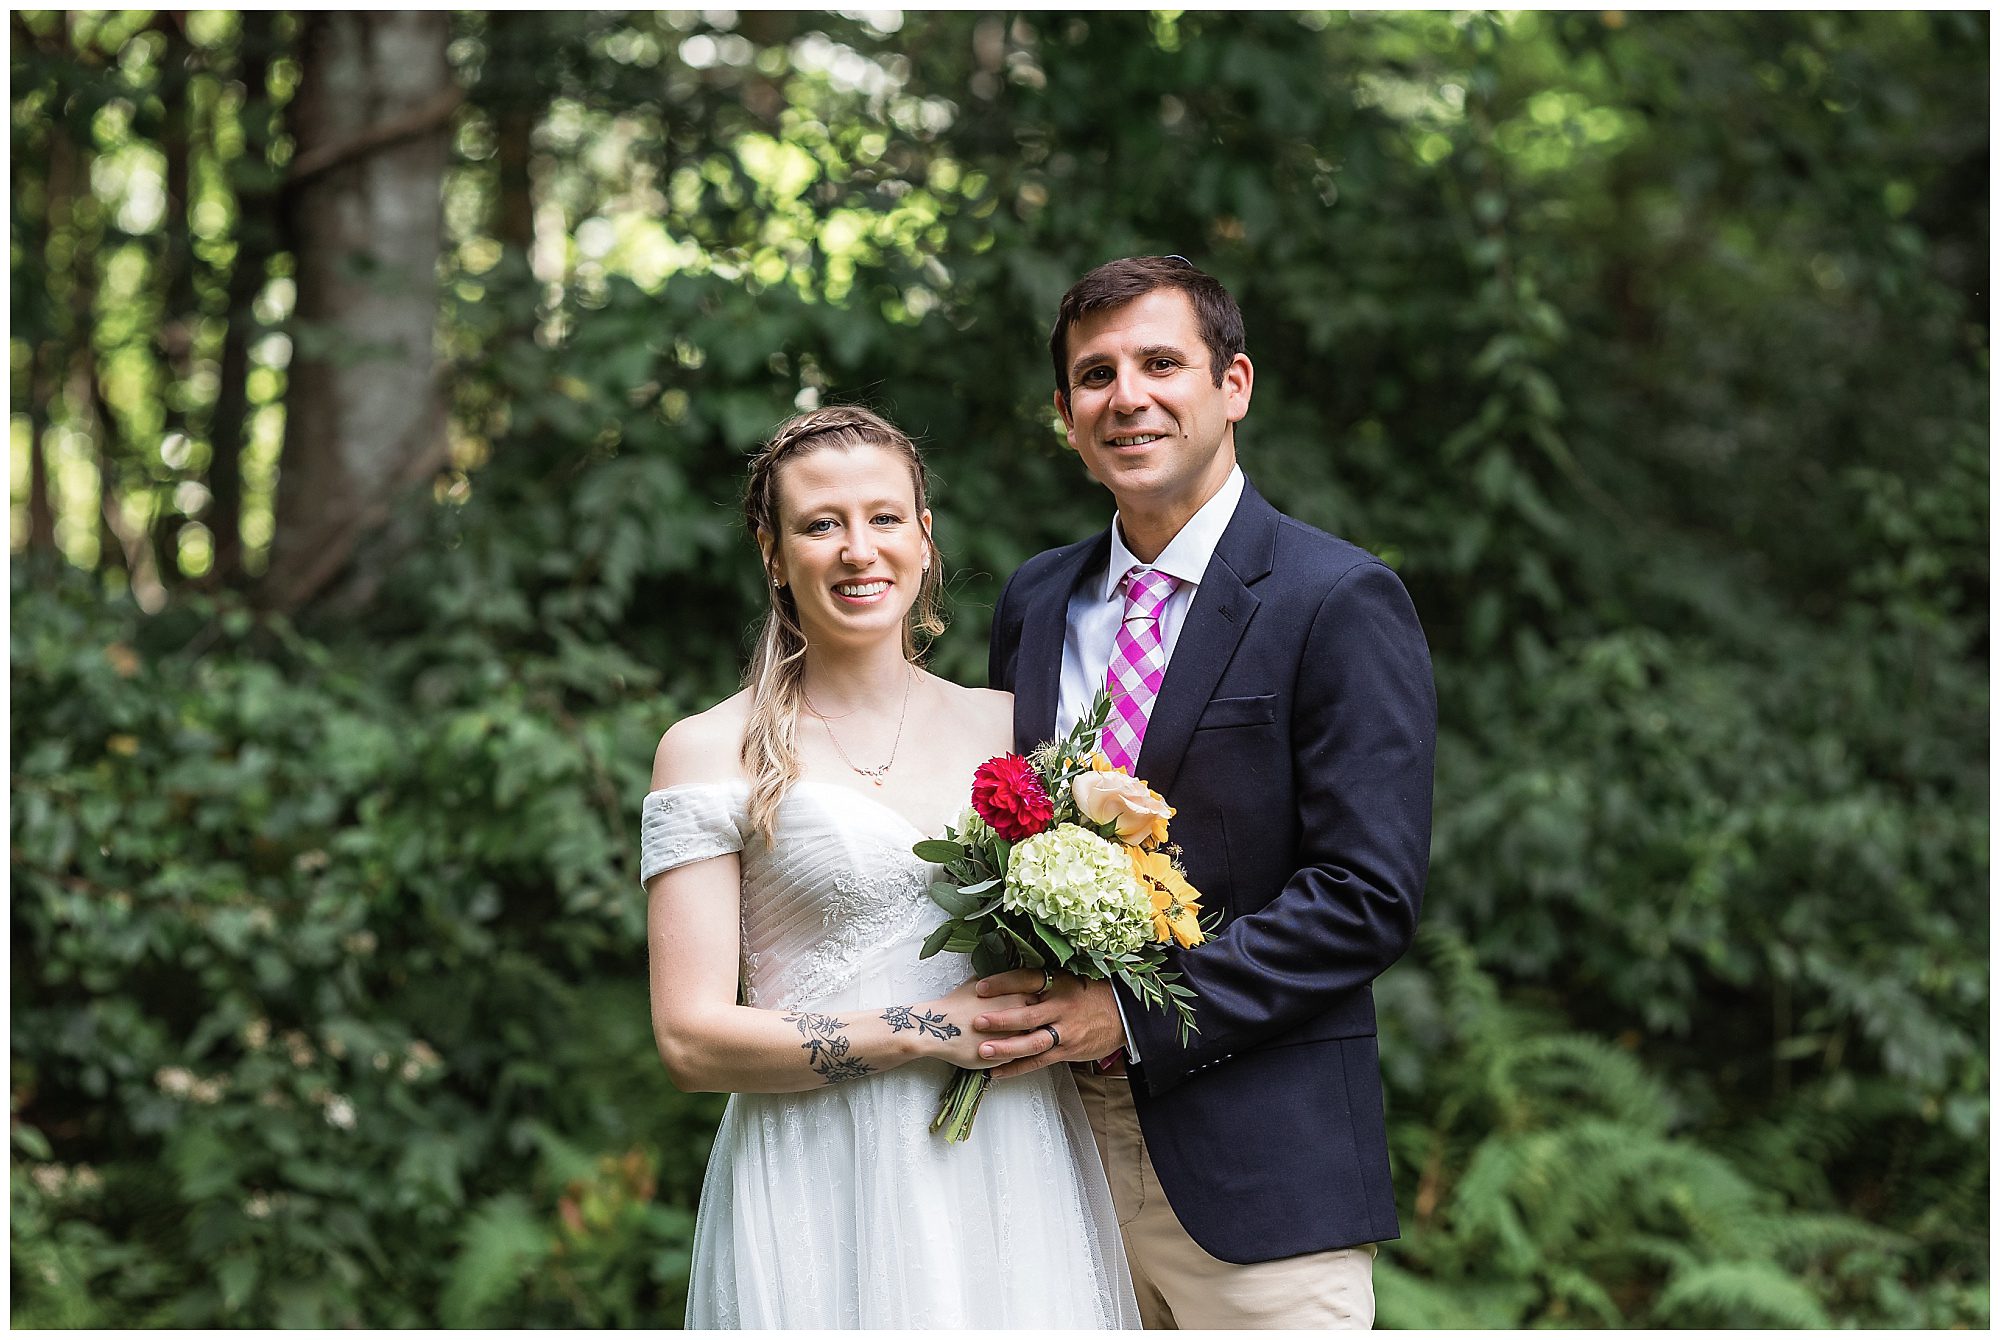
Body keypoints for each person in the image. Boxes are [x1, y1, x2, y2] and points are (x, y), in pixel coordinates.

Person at [975, 256, 1437, 1329]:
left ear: (1232, 383)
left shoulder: (1338, 598)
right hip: (1045, 1164)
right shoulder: (1036, 599)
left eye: (1158, 362)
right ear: (1062, 413)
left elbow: (1363, 893)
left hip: (1258, 1175)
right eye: (1094, 374)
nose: (1124, 395)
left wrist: (1125, 1017)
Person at [640, 406, 1141, 1329]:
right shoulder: (709, 750)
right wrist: (921, 1029)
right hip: (813, 1169)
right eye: (821, 524)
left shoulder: (1018, 730)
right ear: (773, 552)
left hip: (1010, 1161)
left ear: (924, 537)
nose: (856, 549)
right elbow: (691, 1040)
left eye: (883, 518)